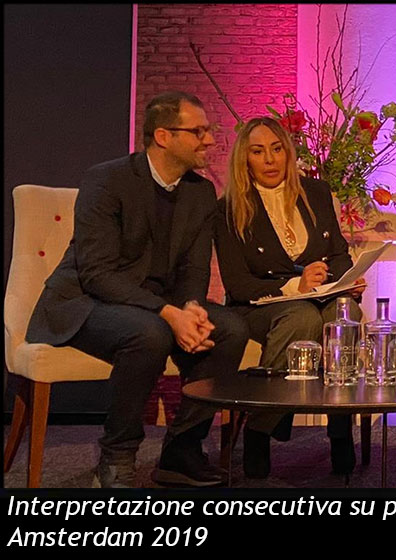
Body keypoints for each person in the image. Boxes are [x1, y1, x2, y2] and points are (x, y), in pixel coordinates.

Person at [25, 91, 250, 488]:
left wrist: (191, 307)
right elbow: (97, 273)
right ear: (163, 136)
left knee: (231, 329)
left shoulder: (200, 192)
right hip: (85, 302)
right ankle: (116, 456)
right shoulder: (106, 180)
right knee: (149, 333)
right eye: (198, 131)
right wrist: (169, 313)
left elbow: (194, 268)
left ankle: (182, 451)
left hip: (155, 304)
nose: (210, 140)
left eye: (209, 130)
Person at [215, 116, 365, 479]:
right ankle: (260, 427)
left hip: (320, 298)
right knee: (302, 317)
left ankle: (340, 429)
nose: (269, 160)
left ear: (288, 152)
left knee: (344, 313)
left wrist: (344, 281)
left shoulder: (316, 193)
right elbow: (237, 284)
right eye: (258, 151)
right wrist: (294, 288)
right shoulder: (229, 208)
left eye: (277, 149)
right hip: (259, 307)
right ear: (245, 159)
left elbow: (338, 253)